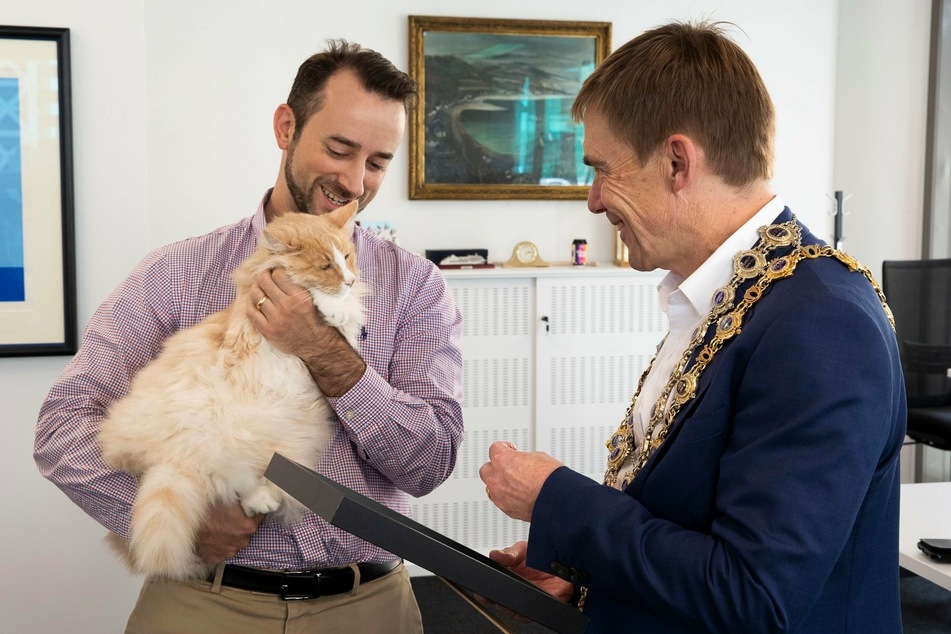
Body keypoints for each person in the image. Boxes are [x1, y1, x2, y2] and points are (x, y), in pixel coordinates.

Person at [479, 21, 905, 634]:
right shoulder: (732, 297)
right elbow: (691, 522)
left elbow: (754, 596)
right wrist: (585, 572)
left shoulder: (821, 322)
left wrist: (556, 500)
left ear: (678, 161)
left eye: (602, 169)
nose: (593, 201)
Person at [34, 40, 464, 633]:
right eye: (339, 149)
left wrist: (319, 347)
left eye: (378, 162)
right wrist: (179, 508)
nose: (354, 181)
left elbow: (429, 462)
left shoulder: (415, 287)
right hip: (203, 605)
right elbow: (62, 427)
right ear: (286, 126)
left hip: (369, 608)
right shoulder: (177, 273)